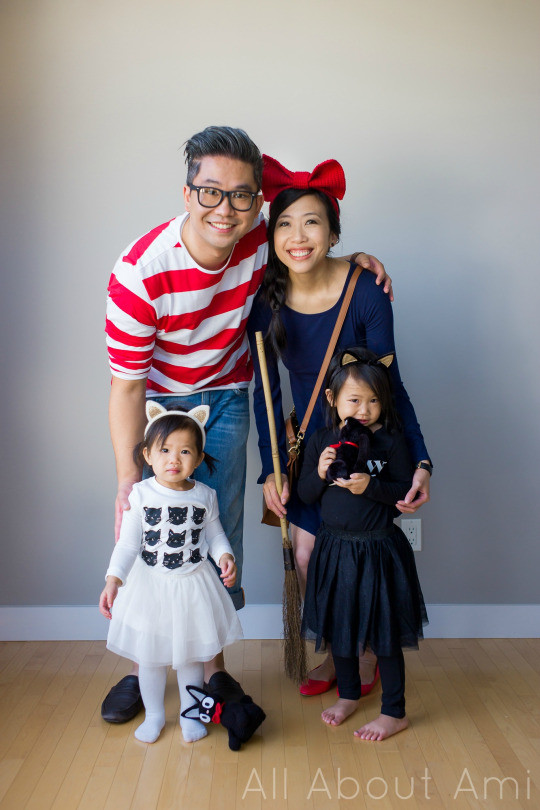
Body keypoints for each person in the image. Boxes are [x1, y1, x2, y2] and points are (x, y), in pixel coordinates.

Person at [103, 125, 389, 722]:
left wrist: (356, 264)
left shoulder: (263, 234)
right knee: (155, 527)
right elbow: (126, 387)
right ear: (187, 194)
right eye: (210, 192)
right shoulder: (138, 275)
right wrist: (128, 478)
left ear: (257, 200)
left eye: (240, 195)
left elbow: (310, 248)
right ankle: (145, 665)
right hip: (161, 402)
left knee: (216, 528)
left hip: (230, 394)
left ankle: (208, 672)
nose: (225, 208)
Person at [247, 154, 432, 696]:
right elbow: (265, 392)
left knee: (361, 553)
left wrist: (421, 460)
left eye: (311, 222)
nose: (297, 236)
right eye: (283, 223)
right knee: (307, 556)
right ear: (272, 236)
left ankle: (371, 656)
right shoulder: (267, 299)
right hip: (309, 452)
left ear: (332, 233)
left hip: (366, 448)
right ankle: (340, 653)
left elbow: (391, 389)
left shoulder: (367, 292)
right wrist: (271, 469)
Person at [297, 347, 428, 739]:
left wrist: (371, 487)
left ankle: (394, 710)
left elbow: (403, 493)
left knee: (384, 634)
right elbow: (304, 496)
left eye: (373, 401)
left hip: (379, 549)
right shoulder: (321, 439)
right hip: (334, 549)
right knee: (339, 629)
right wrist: (318, 474)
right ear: (332, 399)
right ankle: (349, 695)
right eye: (354, 400)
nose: (364, 409)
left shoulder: (389, 442)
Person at [99, 402, 243, 743]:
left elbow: (215, 534)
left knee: (191, 658)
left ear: (198, 457)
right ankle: (154, 715)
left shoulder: (205, 495)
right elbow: (128, 544)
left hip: (193, 584)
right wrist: (113, 579)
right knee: (151, 659)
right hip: (151, 587)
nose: (173, 459)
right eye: (164, 450)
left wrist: (225, 557)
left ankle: (189, 715)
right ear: (148, 455)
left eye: (184, 451)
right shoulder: (142, 494)